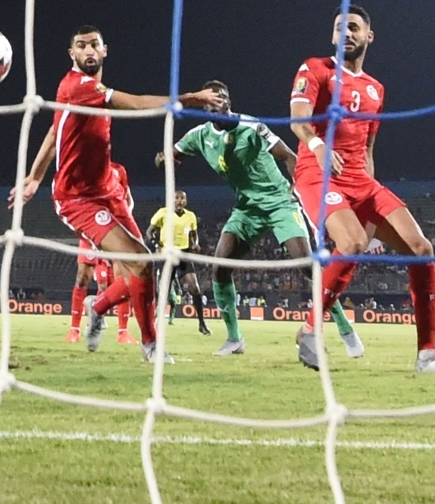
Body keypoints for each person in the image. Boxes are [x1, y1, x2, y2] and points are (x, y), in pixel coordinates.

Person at [9, 25, 221, 363]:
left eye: (94, 44)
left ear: (104, 50)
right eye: (81, 46)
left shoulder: (84, 91)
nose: (89, 50)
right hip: (77, 199)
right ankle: (150, 345)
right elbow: (137, 104)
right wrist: (190, 99)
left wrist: (34, 177)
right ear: (72, 54)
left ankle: (100, 306)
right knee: (139, 262)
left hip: (108, 189)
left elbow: (53, 132)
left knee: (144, 268)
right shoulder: (79, 87)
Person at [289, 6, 435, 373]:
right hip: (317, 175)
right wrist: (319, 147)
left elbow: (368, 149)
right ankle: (309, 330)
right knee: (351, 243)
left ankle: (428, 354)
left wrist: (370, 200)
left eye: (353, 28)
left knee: (421, 249)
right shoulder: (315, 69)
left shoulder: (375, 89)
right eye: (339, 28)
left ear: (369, 36)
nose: (346, 34)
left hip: (361, 181)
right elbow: (298, 120)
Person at [155, 80, 363, 357]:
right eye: (213, 101)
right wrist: (164, 159)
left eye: (224, 98)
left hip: (279, 203)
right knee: (219, 267)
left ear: (230, 102)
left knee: (306, 265)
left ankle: (345, 329)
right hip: (246, 208)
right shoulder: (198, 135)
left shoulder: (251, 126)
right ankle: (234, 339)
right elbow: (170, 154)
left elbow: (288, 156)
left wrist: (295, 189)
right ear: (204, 107)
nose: (220, 104)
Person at [66, 162, 136, 345]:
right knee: (82, 277)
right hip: (90, 228)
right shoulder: (82, 169)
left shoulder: (119, 170)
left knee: (124, 277)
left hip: (113, 230)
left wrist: (124, 219)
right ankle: (74, 330)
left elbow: (128, 199)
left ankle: (123, 332)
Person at [146, 191, 211, 335]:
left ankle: (202, 323)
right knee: (163, 292)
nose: (179, 201)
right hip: (168, 256)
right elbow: (149, 232)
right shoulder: (163, 213)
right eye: (177, 198)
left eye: (182, 198)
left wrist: (195, 244)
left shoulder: (191, 216)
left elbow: (194, 236)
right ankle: (153, 324)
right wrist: (157, 245)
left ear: (186, 201)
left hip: (183, 254)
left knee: (195, 288)